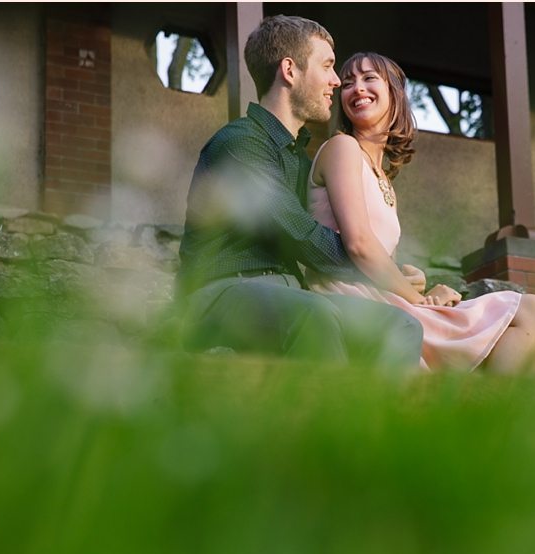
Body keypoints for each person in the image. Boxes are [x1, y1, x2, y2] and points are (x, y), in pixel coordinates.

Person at [176, 17, 425, 369]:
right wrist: (385, 272)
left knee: (401, 325)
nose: (337, 82)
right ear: (290, 71)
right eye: (328, 66)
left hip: (290, 294)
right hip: (219, 295)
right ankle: (328, 423)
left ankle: (381, 421)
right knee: (315, 316)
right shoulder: (241, 143)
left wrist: (392, 270)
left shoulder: (298, 159)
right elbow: (301, 235)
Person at [306, 52, 535, 374]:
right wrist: (417, 298)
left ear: (395, 93)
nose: (357, 89)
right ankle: (486, 415)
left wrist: (411, 276)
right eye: (349, 82)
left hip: (381, 294)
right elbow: (358, 244)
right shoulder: (342, 148)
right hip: (352, 298)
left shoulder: (383, 179)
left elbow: (377, 256)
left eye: (369, 78)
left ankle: (478, 406)